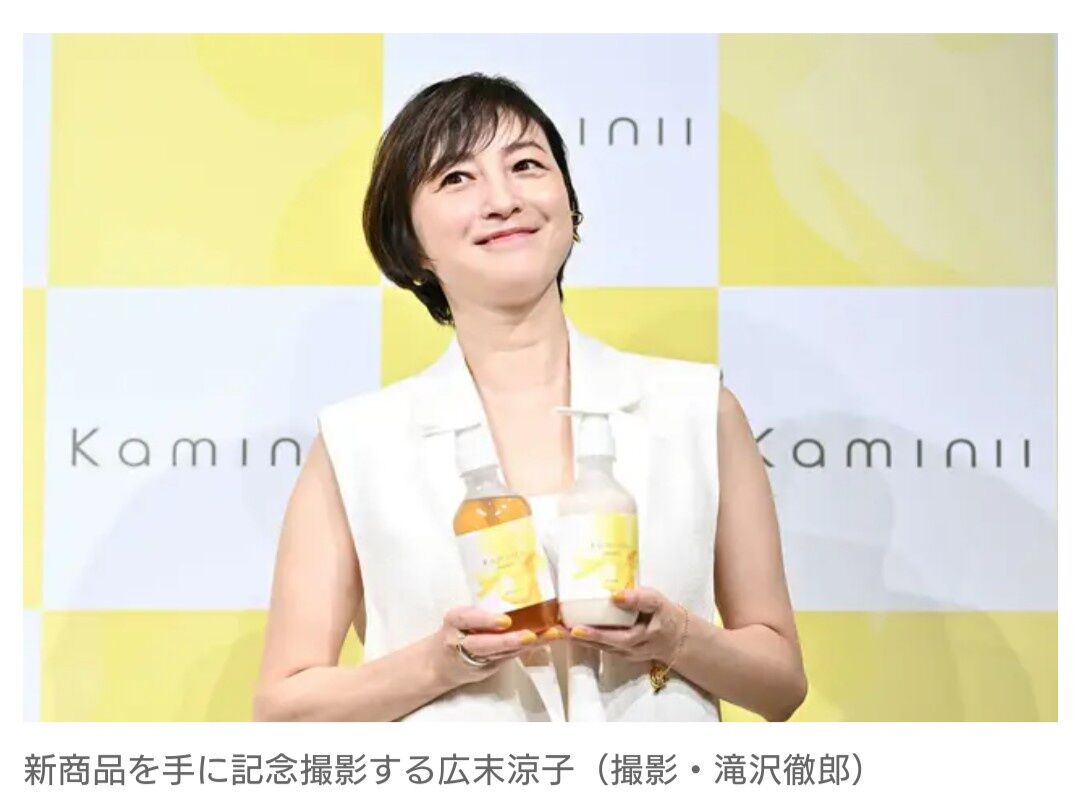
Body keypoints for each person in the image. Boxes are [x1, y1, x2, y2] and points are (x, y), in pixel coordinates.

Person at [252, 73, 807, 722]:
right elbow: (282, 711)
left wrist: (676, 637)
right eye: (457, 178)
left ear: (569, 205)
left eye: (526, 166)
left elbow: (780, 684)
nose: (503, 199)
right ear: (409, 242)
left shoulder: (696, 410)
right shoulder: (357, 445)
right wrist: (440, 664)